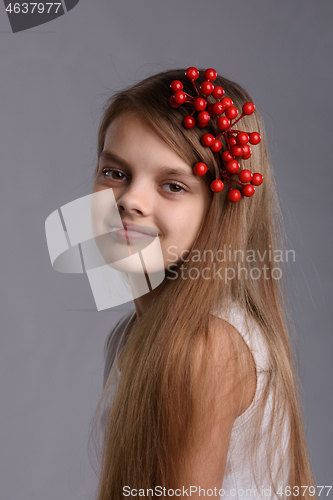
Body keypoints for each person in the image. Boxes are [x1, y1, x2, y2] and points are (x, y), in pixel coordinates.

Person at [89, 68, 316, 500]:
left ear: (220, 210)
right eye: (115, 173)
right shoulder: (135, 338)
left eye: (173, 185)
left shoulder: (204, 347)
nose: (130, 200)